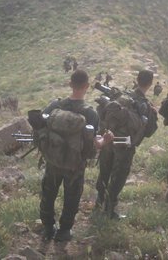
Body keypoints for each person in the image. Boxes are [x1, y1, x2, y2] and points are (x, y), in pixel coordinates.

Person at [39, 69, 113, 242]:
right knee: (72, 196)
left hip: (53, 161)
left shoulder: (55, 106)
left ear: (70, 84)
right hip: (75, 165)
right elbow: (94, 144)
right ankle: (64, 231)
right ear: (87, 86)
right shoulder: (90, 114)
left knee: (48, 193)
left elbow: (41, 125)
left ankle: (48, 228)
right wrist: (106, 140)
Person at [96, 69, 158, 218]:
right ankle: (110, 210)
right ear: (150, 84)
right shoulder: (145, 106)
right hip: (125, 146)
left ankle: (99, 200)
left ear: (136, 79)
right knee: (119, 176)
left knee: (104, 171)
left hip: (108, 139)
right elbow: (149, 132)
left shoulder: (120, 96)